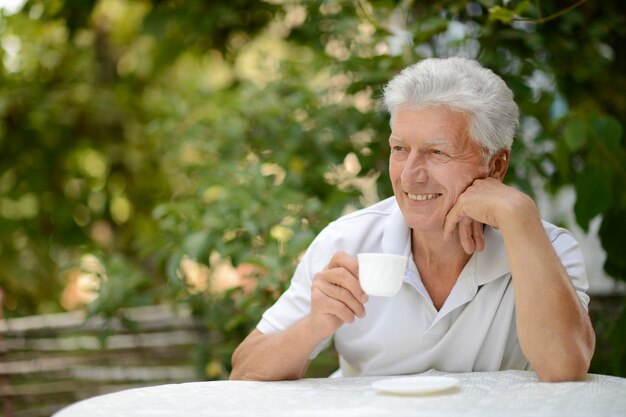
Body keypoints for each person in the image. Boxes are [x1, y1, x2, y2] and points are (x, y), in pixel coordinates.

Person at [229, 57, 595, 382]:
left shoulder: (546, 247)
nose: (410, 176)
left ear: (496, 164)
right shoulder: (346, 241)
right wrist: (314, 325)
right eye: (400, 149)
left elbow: (565, 367)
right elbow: (244, 371)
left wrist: (519, 215)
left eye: (437, 152)